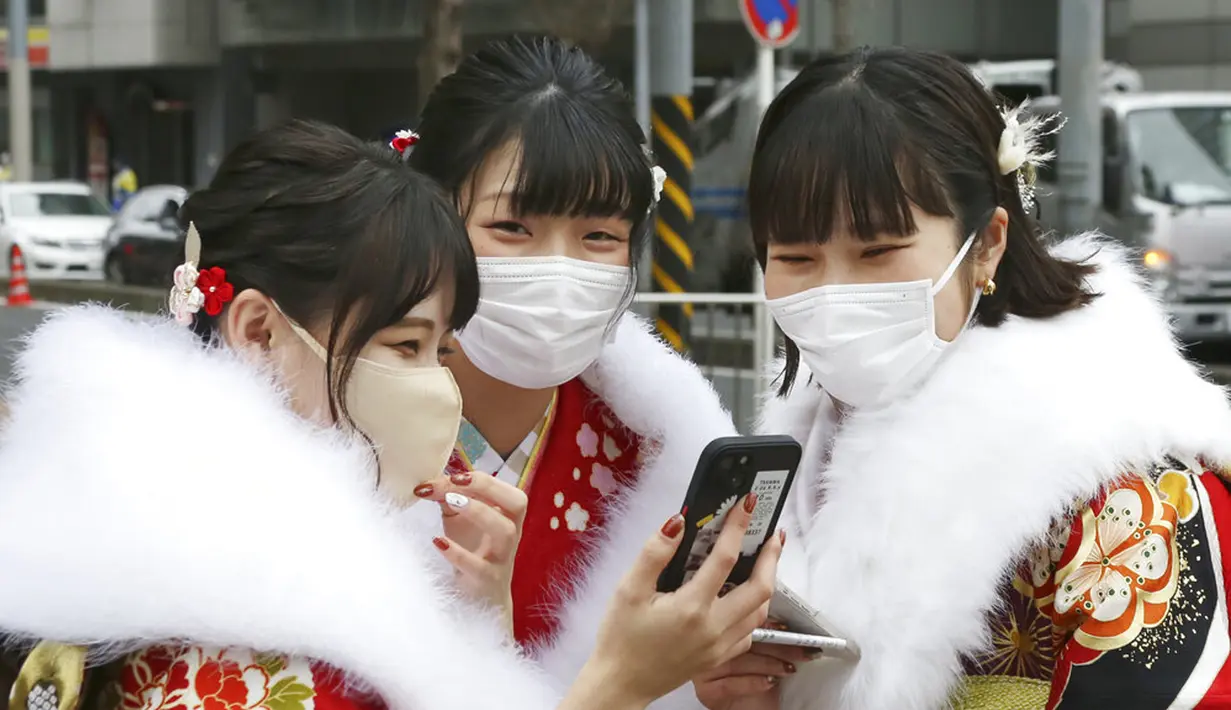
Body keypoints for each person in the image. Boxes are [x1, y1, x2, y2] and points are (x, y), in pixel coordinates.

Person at [0, 119, 782, 710]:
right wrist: (614, 683)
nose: (440, 388)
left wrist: (479, 622)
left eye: (443, 350)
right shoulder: (224, 633)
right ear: (259, 331)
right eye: (405, 346)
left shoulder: (218, 538)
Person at [728, 46, 1231, 710]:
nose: (832, 291)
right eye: (794, 256)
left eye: (877, 251)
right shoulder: (790, 463)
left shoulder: (1127, 486)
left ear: (987, 242)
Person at [405, 35, 804, 702]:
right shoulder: (348, 432)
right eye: (511, 226)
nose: (556, 267)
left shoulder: (659, 451)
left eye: (599, 237)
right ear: (430, 214)